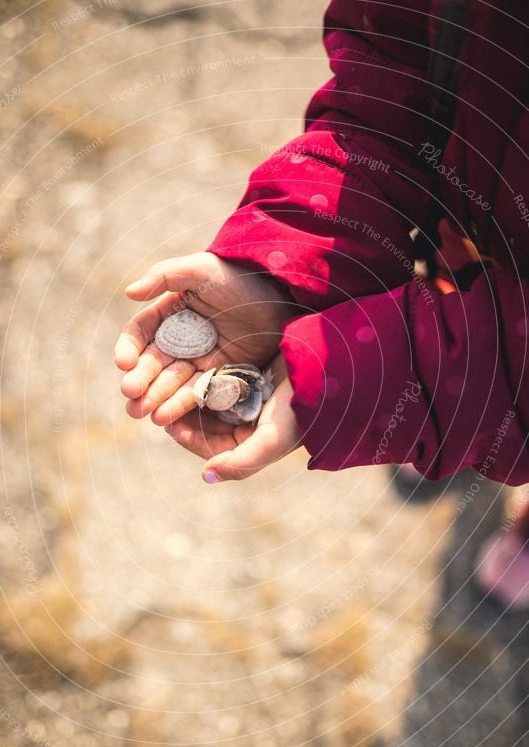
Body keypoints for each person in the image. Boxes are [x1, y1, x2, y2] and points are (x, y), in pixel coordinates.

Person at [115, 0, 528, 497]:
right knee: (453, 289)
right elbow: (385, 87)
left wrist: (383, 379)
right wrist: (278, 269)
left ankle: (476, 453)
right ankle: (452, 420)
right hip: (461, 241)